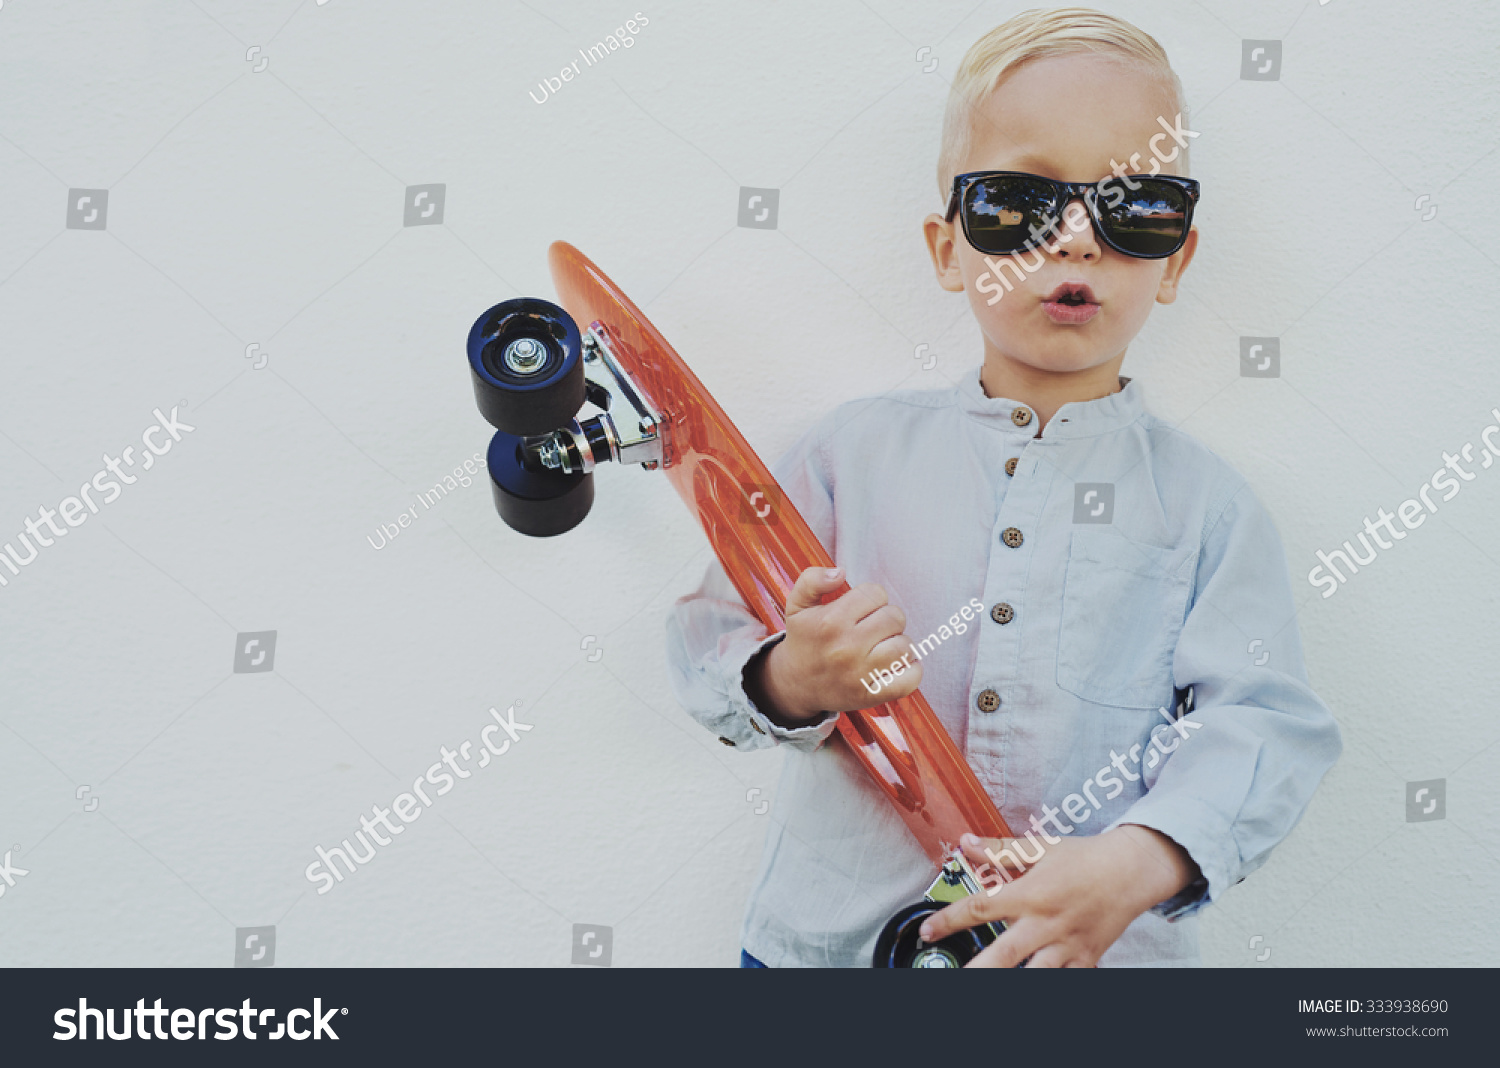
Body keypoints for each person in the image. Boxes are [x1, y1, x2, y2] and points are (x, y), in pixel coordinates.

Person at [665, 6, 1341, 968]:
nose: (1072, 240)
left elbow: (1264, 722)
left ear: (1178, 257)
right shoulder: (846, 456)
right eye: (1015, 202)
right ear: (950, 250)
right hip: (826, 954)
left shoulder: (1209, 509)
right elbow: (709, 639)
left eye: (1134, 205)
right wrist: (792, 678)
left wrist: (1140, 861)